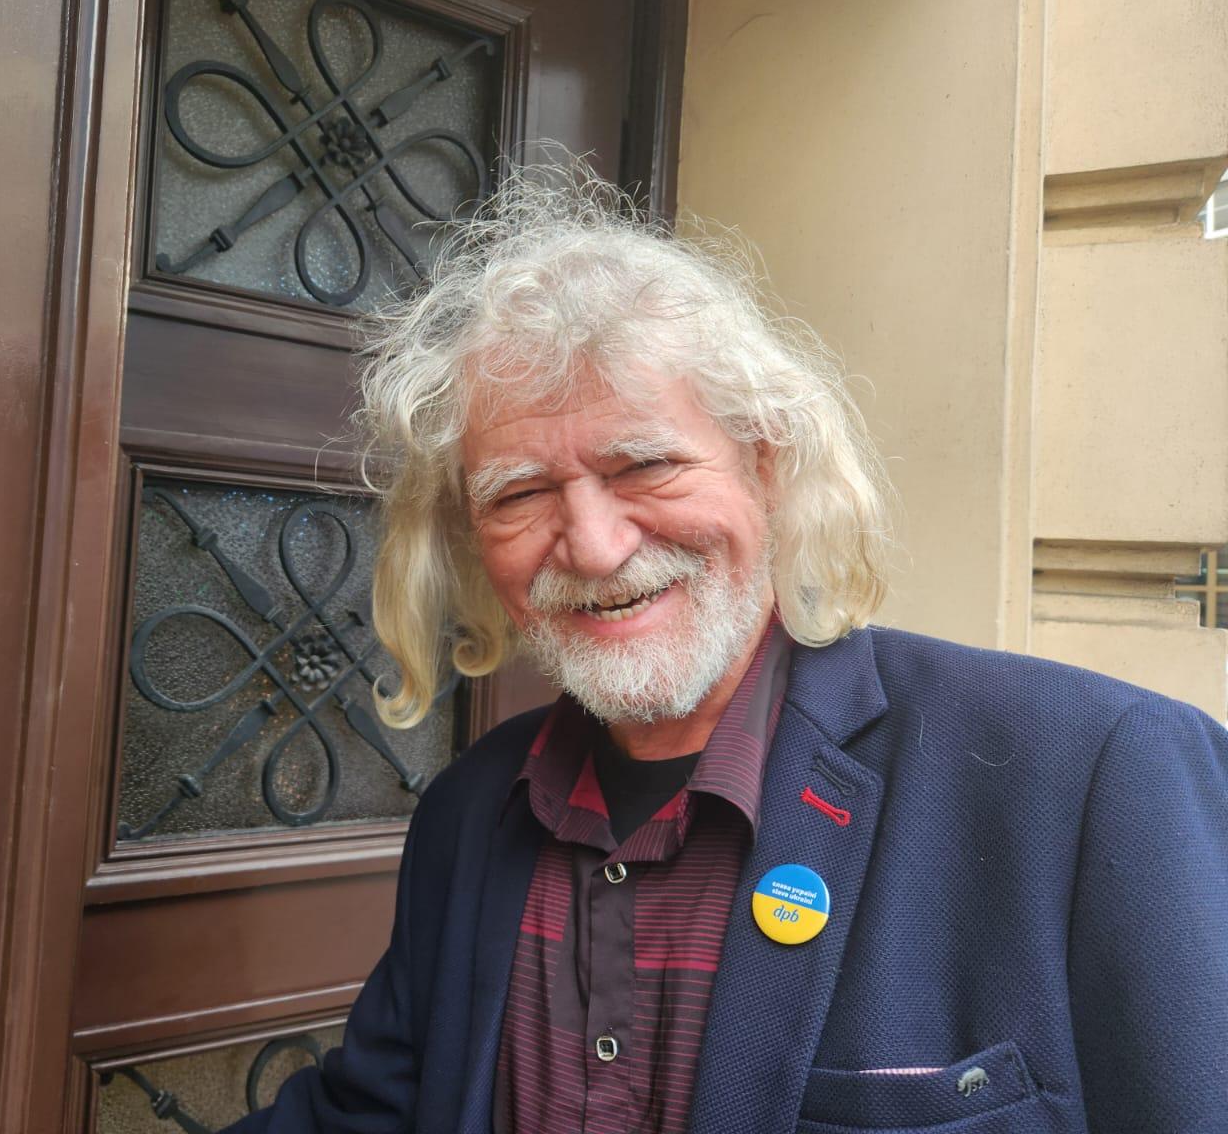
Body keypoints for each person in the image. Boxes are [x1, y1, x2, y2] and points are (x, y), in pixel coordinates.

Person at [228, 163, 1228, 1133]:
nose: (593, 546)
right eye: (520, 493)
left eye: (645, 465)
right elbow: (370, 1113)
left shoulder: (1094, 777)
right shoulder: (470, 813)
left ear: (767, 465)